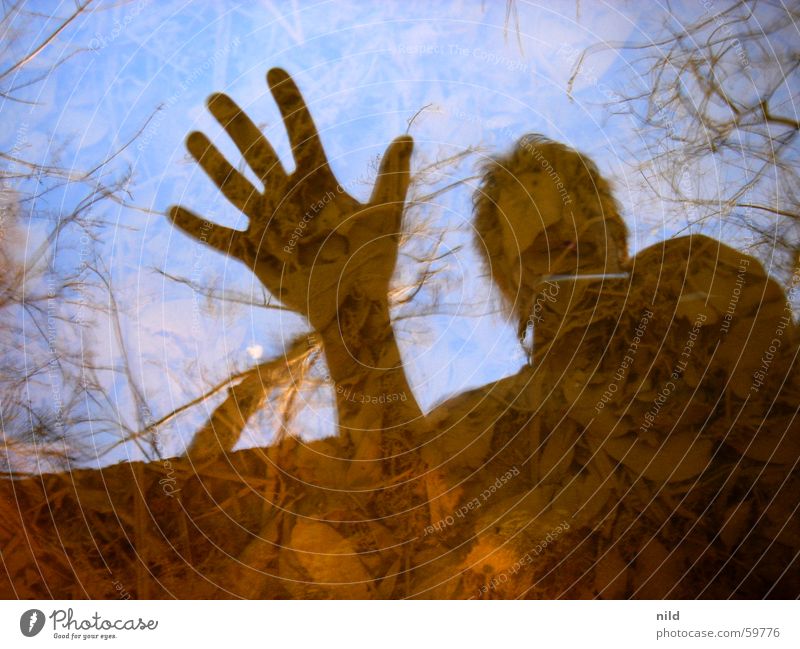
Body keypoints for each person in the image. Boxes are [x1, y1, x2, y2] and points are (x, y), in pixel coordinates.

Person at [169, 69, 800, 598]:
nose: (576, 239)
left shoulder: (693, 279)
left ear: (621, 232)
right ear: (508, 280)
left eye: (591, 220)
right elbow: (395, 525)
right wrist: (350, 312)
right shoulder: (484, 423)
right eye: (549, 247)